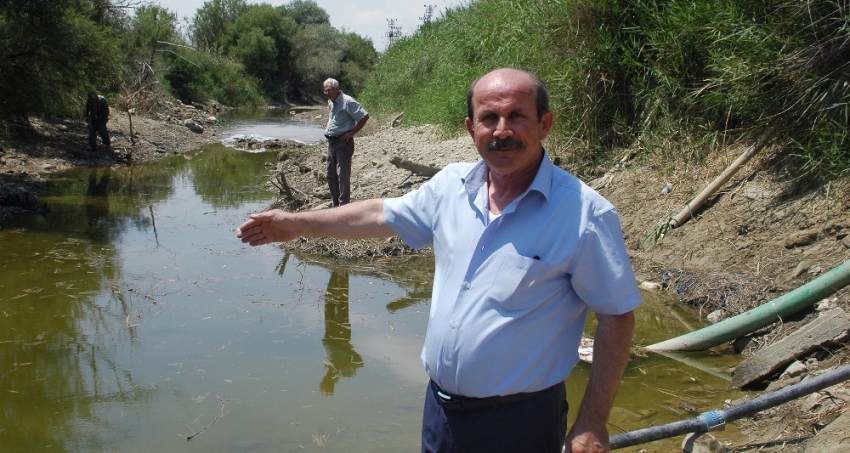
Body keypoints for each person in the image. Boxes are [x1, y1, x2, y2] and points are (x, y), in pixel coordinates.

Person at [238, 68, 642, 453]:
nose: (502, 131)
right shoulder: (451, 187)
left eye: (517, 116)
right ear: (471, 128)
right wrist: (296, 224)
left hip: (522, 422)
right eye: (489, 118)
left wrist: (592, 420)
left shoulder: (585, 214)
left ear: (545, 124)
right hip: (441, 412)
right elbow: (380, 215)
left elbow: (617, 315)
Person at [322, 78, 369, 206]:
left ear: (337, 89)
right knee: (330, 175)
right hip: (331, 142)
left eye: (329, 90)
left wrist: (352, 133)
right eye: (325, 91)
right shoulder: (331, 102)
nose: (327, 93)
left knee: (342, 175)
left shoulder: (347, 101)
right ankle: (335, 204)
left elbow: (364, 116)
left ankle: (344, 205)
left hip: (343, 142)